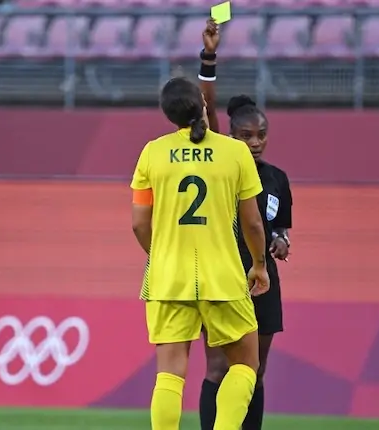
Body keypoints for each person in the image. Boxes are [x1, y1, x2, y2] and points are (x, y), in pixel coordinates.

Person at [130, 76, 270, 430]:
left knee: (169, 374)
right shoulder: (235, 152)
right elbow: (253, 223)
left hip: (168, 278)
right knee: (245, 365)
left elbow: (138, 223)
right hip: (222, 276)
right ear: (202, 106)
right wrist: (259, 265)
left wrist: (160, 254)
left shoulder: (152, 152)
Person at [196, 20, 294, 430]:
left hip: (263, 279)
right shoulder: (222, 162)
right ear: (230, 134)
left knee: (255, 368)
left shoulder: (277, 178)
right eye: (246, 135)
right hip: (223, 273)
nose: (255, 142)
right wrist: (209, 57)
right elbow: (205, 108)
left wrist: (281, 243)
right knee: (219, 366)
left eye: (261, 135)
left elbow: (280, 229)